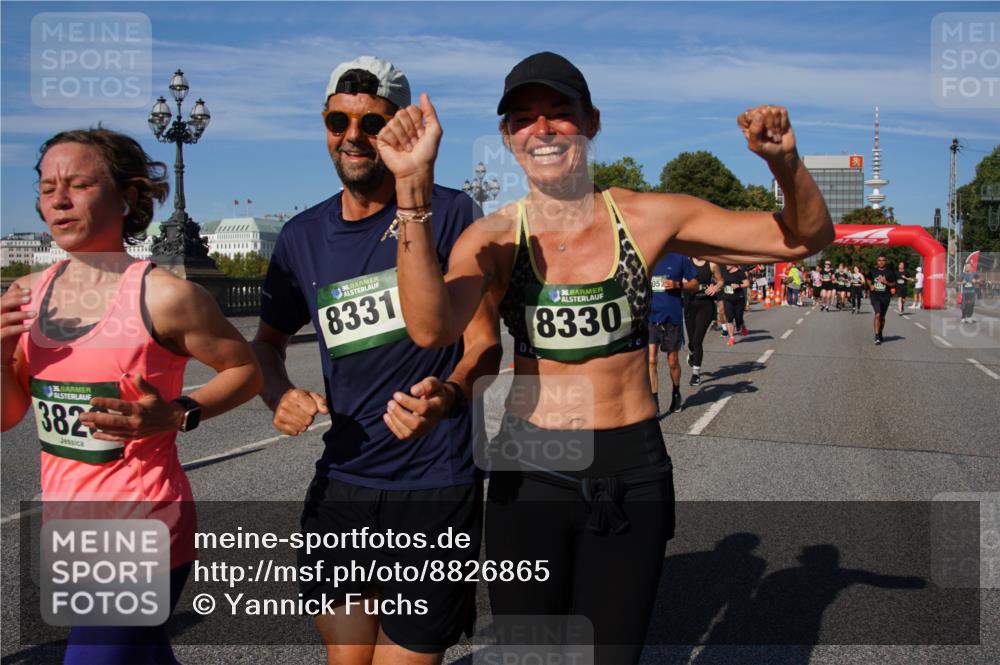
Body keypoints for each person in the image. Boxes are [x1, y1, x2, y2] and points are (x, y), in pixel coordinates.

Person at [376, 51, 832, 663]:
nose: (543, 128)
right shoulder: (493, 237)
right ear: (508, 136)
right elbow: (432, 329)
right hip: (530, 464)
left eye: (560, 113)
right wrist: (410, 187)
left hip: (629, 463)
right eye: (524, 118)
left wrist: (784, 163)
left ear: (592, 122)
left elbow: (804, 239)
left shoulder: (647, 216)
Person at [250, 56, 501, 665]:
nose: (353, 136)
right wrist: (277, 392)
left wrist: (449, 393)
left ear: (403, 127)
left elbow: (484, 344)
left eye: (373, 122)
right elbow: (266, 344)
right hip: (343, 482)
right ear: (325, 124)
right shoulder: (301, 236)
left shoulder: (452, 213)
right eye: (339, 120)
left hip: (434, 484)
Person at [0, 128, 263, 664]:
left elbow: (246, 369)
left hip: (144, 524)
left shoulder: (166, 297)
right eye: (47, 186)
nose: (58, 199)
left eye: (78, 184)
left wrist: (175, 413)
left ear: (127, 196)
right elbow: (8, 416)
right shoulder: (24, 295)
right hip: (68, 526)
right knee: (141, 653)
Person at [647, 253, 698, 413]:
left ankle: (676, 392)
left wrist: (677, 284)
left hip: (672, 318)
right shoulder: (649, 254)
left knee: (672, 362)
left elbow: (695, 284)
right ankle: (654, 401)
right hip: (650, 317)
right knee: (651, 359)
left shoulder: (680, 258)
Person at [685, 259, 724, 386]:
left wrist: (716, 287)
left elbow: (721, 281)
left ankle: (696, 374)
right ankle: (691, 352)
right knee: (691, 341)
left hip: (705, 305)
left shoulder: (712, 264)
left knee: (697, 340)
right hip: (689, 304)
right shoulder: (686, 262)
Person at [866, 254, 897, 344]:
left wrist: (886, 282)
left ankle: (880, 332)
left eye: (883, 260)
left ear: (885, 261)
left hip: (885, 296)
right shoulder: (873, 271)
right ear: (877, 261)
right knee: (878, 314)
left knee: (882, 317)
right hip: (875, 296)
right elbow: (868, 279)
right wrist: (870, 285)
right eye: (879, 260)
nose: (881, 262)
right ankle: (876, 336)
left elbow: (894, 284)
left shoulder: (890, 272)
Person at [721, 264, 750, 344]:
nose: (726, 265)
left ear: (733, 264)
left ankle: (742, 325)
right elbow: (719, 280)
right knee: (729, 318)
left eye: (728, 264)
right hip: (727, 298)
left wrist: (739, 285)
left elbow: (747, 283)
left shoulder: (740, 272)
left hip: (739, 298)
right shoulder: (723, 271)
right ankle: (731, 337)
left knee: (738, 318)